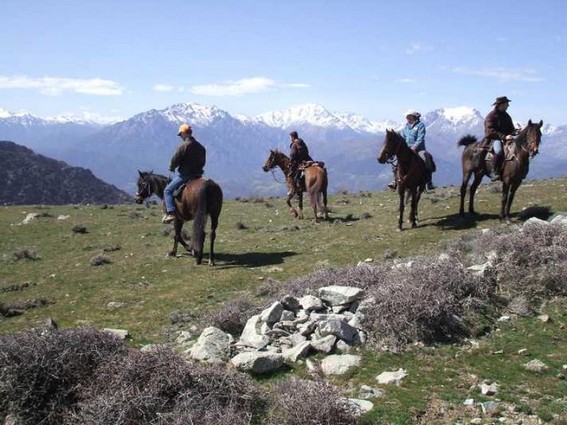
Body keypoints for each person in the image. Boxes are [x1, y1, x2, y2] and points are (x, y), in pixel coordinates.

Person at [162, 123, 206, 223]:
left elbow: (175, 160)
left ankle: (170, 213)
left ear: (184, 133)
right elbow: (203, 162)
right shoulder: (201, 147)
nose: (181, 137)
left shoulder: (183, 146)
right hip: (198, 175)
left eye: (181, 134)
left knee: (167, 191)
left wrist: (172, 167)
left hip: (185, 175)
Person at [388, 110, 435, 191]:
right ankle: (395, 181)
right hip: (407, 149)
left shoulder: (420, 125)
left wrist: (414, 147)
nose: (408, 119)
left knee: (426, 159)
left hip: (419, 149)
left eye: (410, 117)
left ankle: (428, 182)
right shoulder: (406, 127)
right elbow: (403, 138)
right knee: (395, 162)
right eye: (407, 118)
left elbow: (420, 138)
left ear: (414, 117)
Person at [483, 96, 516, 181]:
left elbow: (510, 129)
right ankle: (494, 172)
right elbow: (490, 130)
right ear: (501, 104)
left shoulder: (506, 116)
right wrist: (504, 136)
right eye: (507, 103)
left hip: (506, 139)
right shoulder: (491, 116)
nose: (508, 105)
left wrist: (515, 132)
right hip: (494, 139)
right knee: (499, 151)